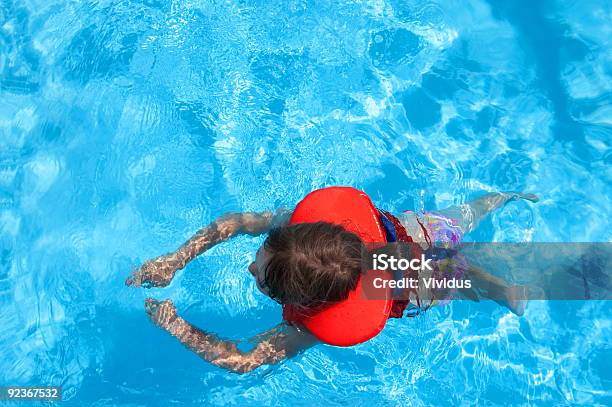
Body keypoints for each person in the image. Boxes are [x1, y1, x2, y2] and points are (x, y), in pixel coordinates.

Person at [126, 188, 538, 373]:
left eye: (265, 283)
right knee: (465, 214)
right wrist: (175, 260)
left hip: (414, 282)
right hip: (418, 230)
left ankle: (505, 283)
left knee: (459, 276)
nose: (251, 270)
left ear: (304, 301)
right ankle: (505, 198)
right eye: (261, 256)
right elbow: (235, 222)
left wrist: (177, 327)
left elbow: (243, 361)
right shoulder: (304, 234)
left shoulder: (309, 326)